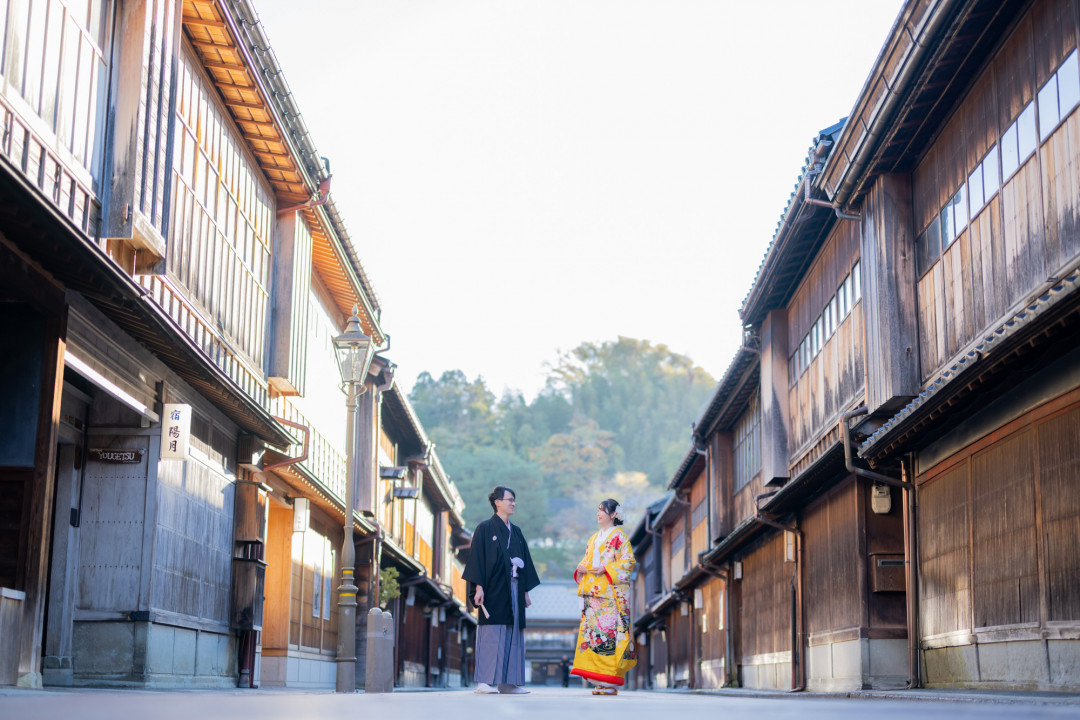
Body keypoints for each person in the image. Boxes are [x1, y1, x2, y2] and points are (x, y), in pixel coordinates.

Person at [462, 485, 541, 694]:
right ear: (497, 502)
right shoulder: (485, 528)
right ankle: (484, 682)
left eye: (514, 500)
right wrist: (478, 587)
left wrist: (525, 591)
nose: (513, 503)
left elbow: (525, 561)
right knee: (492, 632)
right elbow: (477, 558)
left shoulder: (516, 532)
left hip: (514, 586)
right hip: (493, 587)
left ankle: (508, 683)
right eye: (509, 499)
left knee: (513, 633)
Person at [570, 498, 636, 695]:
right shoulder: (593, 538)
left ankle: (610, 681)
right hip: (593, 594)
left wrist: (606, 568)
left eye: (603, 510)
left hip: (610, 595)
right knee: (594, 637)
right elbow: (587, 560)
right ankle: (600, 680)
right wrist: (581, 567)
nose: (598, 513)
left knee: (608, 637)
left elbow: (628, 562)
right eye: (597, 510)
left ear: (614, 514)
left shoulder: (619, 537)